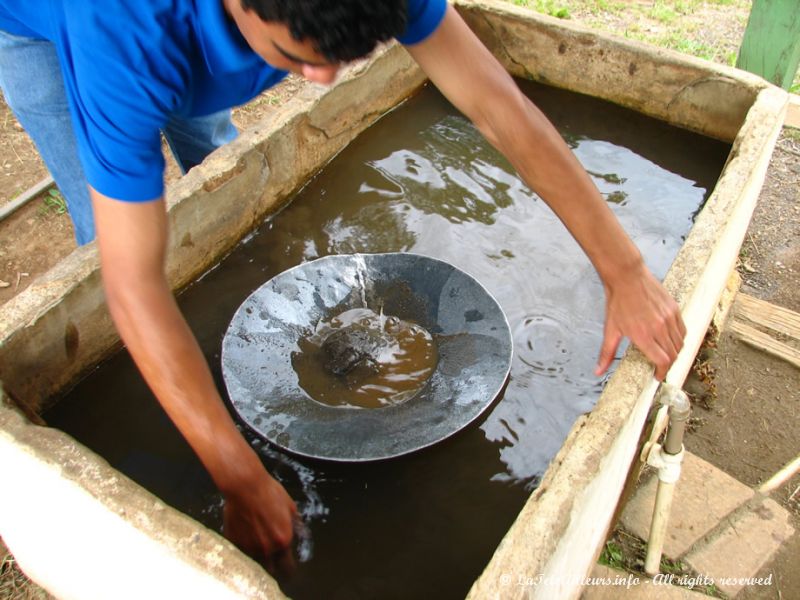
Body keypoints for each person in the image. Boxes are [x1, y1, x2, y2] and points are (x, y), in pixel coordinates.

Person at [0, 0, 686, 569]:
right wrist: (238, 477)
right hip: (40, 28)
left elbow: (497, 107)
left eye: (346, 58)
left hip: (188, 41)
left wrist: (624, 269)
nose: (324, 80)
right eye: (297, 57)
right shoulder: (123, 32)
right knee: (109, 236)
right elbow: (132, 286)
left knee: (212, 155)